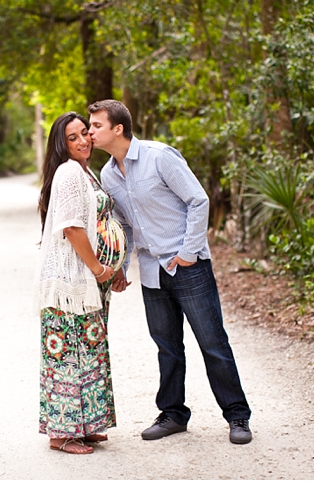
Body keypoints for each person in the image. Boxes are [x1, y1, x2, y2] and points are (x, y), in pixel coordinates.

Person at [87, 99, 253, 445]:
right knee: (167, 347)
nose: (90, 131)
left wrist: (189, 252)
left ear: (118, 128)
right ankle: (173, 414)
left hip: (187, 267)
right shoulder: (108, 174)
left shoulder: (159, 157)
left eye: (96, 125)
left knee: (213, 343)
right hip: (151, 270)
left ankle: (237, 416)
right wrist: (119, 265)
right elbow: (123, 226)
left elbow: (198, 200)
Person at [34, 111, 127, 454]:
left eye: (85, 133)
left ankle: (85, 427)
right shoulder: (70, 172)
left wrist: (113, 267)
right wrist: (99, 268)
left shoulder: (86, 172)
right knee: (68, 354)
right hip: (72, 281)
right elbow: (72, 228)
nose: (83, 140)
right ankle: (62, 434)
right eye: (72, 137)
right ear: (62, 144)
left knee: (87, 350)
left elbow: (100, 223)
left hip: (92, 278)